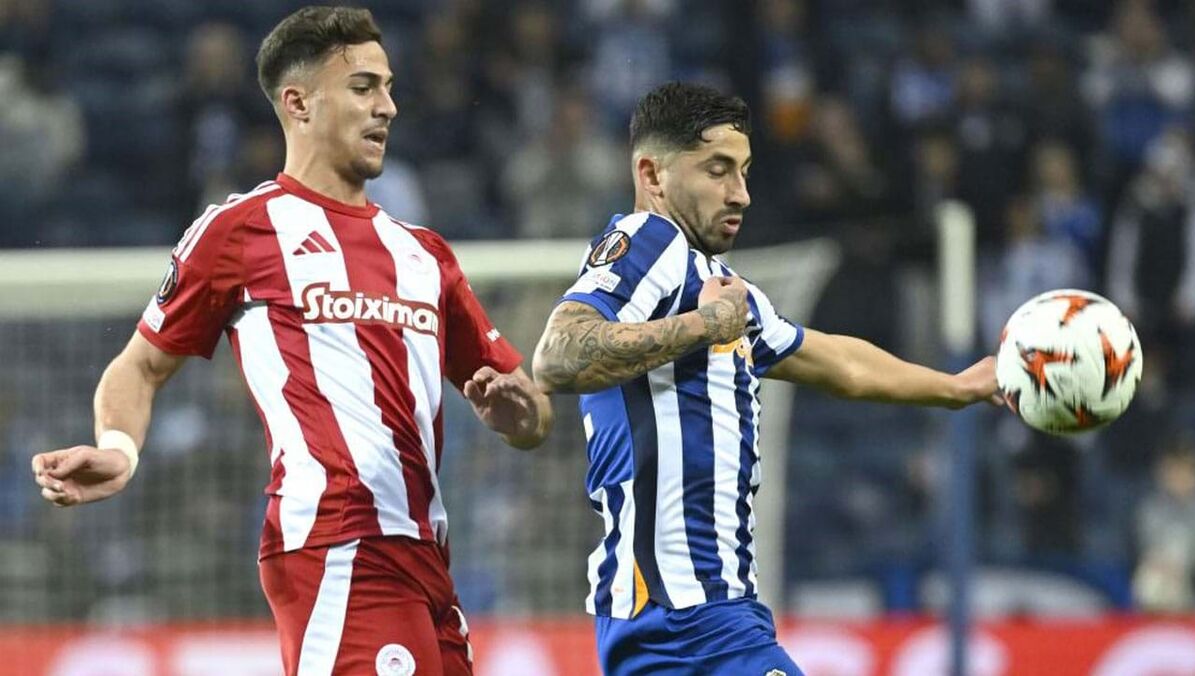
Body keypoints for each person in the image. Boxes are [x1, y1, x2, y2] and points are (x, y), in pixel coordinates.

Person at [31, 7, 552, 675]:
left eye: (389, 88)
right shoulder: (241, 230)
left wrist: (520, 417)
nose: (387, 106)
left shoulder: (425, 254)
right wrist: (120, 450)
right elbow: (139, 366)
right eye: (363, 87)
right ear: (298, 103)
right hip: (337, 544)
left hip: (427, 561)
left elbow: (531, 412)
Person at [531, 82, 998, 675]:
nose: (741, 193)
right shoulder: (652, 242)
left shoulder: (718, 285)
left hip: (700, 618)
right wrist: (705, 325)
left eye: (745, 171)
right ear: (652, 175)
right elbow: (558, 353)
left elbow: (838, 363)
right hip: (687, 621)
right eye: (718, 170)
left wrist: (956, 387)